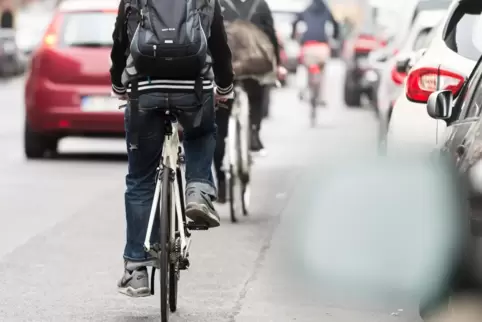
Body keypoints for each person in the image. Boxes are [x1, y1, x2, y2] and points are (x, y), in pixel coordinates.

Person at [110, 0, 234, 297]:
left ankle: (136, 270)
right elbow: (219, 46)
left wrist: (118, 84)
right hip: (194, 90)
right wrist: (225, 88)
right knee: (201, 133)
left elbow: (120, 44)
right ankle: (198, 190)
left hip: (145, 91)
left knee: (140, 179)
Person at [214, 0, 284, 202]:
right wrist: (276, 65)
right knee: (258, 91)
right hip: (253, 67)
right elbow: (270, 37)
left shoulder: (217, 4)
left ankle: (220, 181)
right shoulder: (260, 5)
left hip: (225, 70)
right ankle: (253, 130)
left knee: (218, 125)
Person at [292, 0, 340, 103]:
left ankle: (305, 90)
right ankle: (320, 97)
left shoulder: (307, 10)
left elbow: (295, 21)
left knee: (306, 68)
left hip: (308, 46)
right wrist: (336, 36)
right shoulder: (326, 10)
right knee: (322, 72)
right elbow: (336, 25)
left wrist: (293, 36)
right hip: (322, 47)